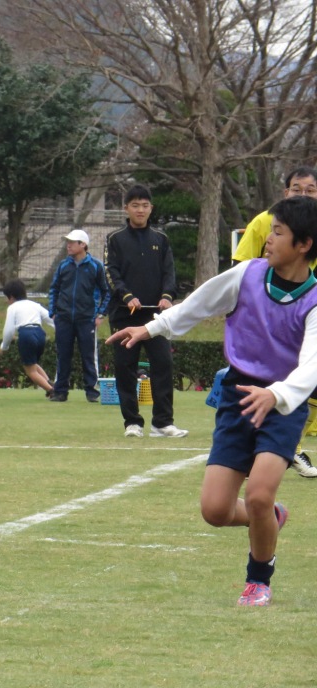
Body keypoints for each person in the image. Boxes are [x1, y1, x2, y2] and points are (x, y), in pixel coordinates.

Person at [106, 196, 317, 606]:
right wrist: (148, 330)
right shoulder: (247, 276)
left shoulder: (315, 300)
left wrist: (276, 394)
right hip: (238, 394)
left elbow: (311, 366)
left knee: (258, 494)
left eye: (277, 232)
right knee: (216, 511)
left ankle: (258, 579)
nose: (267, 239)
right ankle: (270, 520)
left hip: (283, 403)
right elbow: (197, 305)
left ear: (304, 244)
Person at [231, 166, 317, 476]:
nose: (303, 194)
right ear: (285, 193)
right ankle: (273, 445)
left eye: (310, 189)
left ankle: (289, 446)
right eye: (297, 189)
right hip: (269, 329)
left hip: (307, 323)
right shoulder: (263, 223)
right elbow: (239, 273)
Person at [104, 184, 187, 438]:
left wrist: (166, 296)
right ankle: (132, 422)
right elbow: (111, 272)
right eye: (135, 205)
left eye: (145, 205)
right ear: (126, 208)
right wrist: (127, 296)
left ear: (151, 208)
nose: (140, 210)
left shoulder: (161, 239)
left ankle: (162, 423)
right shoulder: (114, 238)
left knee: (163, 363)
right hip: (124, 314)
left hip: (156, 317)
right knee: (125, 367)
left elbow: (169, 272)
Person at [47, 229, 110, 402]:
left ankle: (92, 391)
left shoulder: (95, 266)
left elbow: (107, 292)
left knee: (89, 356)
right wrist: (53, 312)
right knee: (63, 355)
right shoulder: (63, 266)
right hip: (64, 318)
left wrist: (101, 314)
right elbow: (54, 289)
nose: (68, 245)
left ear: (83, 245)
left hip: (86, 319)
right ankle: (60, 392)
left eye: (72, 242)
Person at [0, 278, 55, 396]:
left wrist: (4, 346)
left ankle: (52, 391)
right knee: (33, 363)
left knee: (30, 370)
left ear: (11, 297)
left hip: (26, 334)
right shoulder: (35, 305)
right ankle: (50, 383)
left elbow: (8, 330)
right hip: (40, 334)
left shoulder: (13, 307)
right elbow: (51, 319)